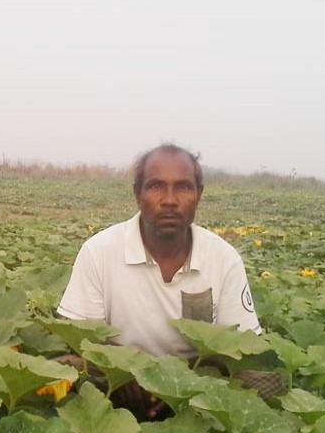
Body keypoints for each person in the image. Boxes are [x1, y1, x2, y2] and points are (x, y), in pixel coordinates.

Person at [57, 143, 271, 417]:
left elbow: (240, 348)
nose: (170, 200)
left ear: (199, 194)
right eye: (156, 186)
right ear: (138, 194)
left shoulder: (223, 258)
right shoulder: (99, 250)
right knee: (65, 367)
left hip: (194, 386)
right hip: (116, 381)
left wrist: (177, 383)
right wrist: (123, 373)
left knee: (264, 381)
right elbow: (81, 340)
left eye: (183, 187)